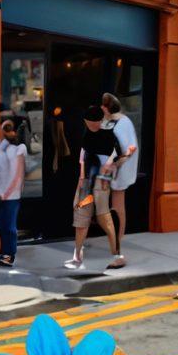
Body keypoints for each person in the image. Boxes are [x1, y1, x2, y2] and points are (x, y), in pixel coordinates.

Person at [67, 106, 125, 270]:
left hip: (100, 181)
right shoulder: (86, 135)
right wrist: (81, 179)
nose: (88, 124)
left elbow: (118, 156)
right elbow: (83, 159)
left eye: (91, 121)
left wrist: (109, 167)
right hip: (85, 182)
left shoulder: (108, 135)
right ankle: (77, 256)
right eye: (87, 121)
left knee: (104, 218)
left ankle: (117, 255)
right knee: (81, 219)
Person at [0, 119, 27, 267]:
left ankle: (8, 256)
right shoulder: (0, 146)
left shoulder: (19, 148)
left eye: (10, 128)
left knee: (8, 225)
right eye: (5, 128)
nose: (8, 131)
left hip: (8, 195)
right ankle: (6, 252)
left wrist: (8, 192)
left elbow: (18, 173)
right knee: (0, 223)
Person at [101, 93, 138, 252]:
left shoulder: (122, 123)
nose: (101, 108)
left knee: (117, 206)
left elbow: (130, 149)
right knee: (108, 205)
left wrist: (117, 164)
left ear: (106, 108)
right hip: (108, 169)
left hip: (119, 170)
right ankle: (114, 238)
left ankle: (118, 239)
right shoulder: (111, 121)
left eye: (103, 106)